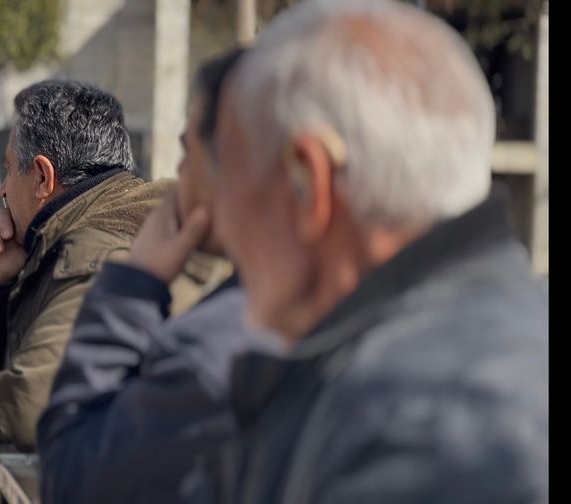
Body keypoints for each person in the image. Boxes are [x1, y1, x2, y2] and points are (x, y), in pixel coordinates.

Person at [208, 0, 548, 501]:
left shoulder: (412, 430)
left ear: (308, 182)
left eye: (228, 180)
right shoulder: (509, 331)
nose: (219, 226)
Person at [36, 49, 282, 503]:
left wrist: (132, 286)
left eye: (187, 150)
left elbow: (74, 476)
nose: (179, 173)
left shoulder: (216, 355)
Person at [0, 80, 207, 463]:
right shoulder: (78, 235)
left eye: (8, 171)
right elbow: (2, 383)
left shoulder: (94, 249)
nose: (2, 190)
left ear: (43, 178)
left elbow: (27, 404)